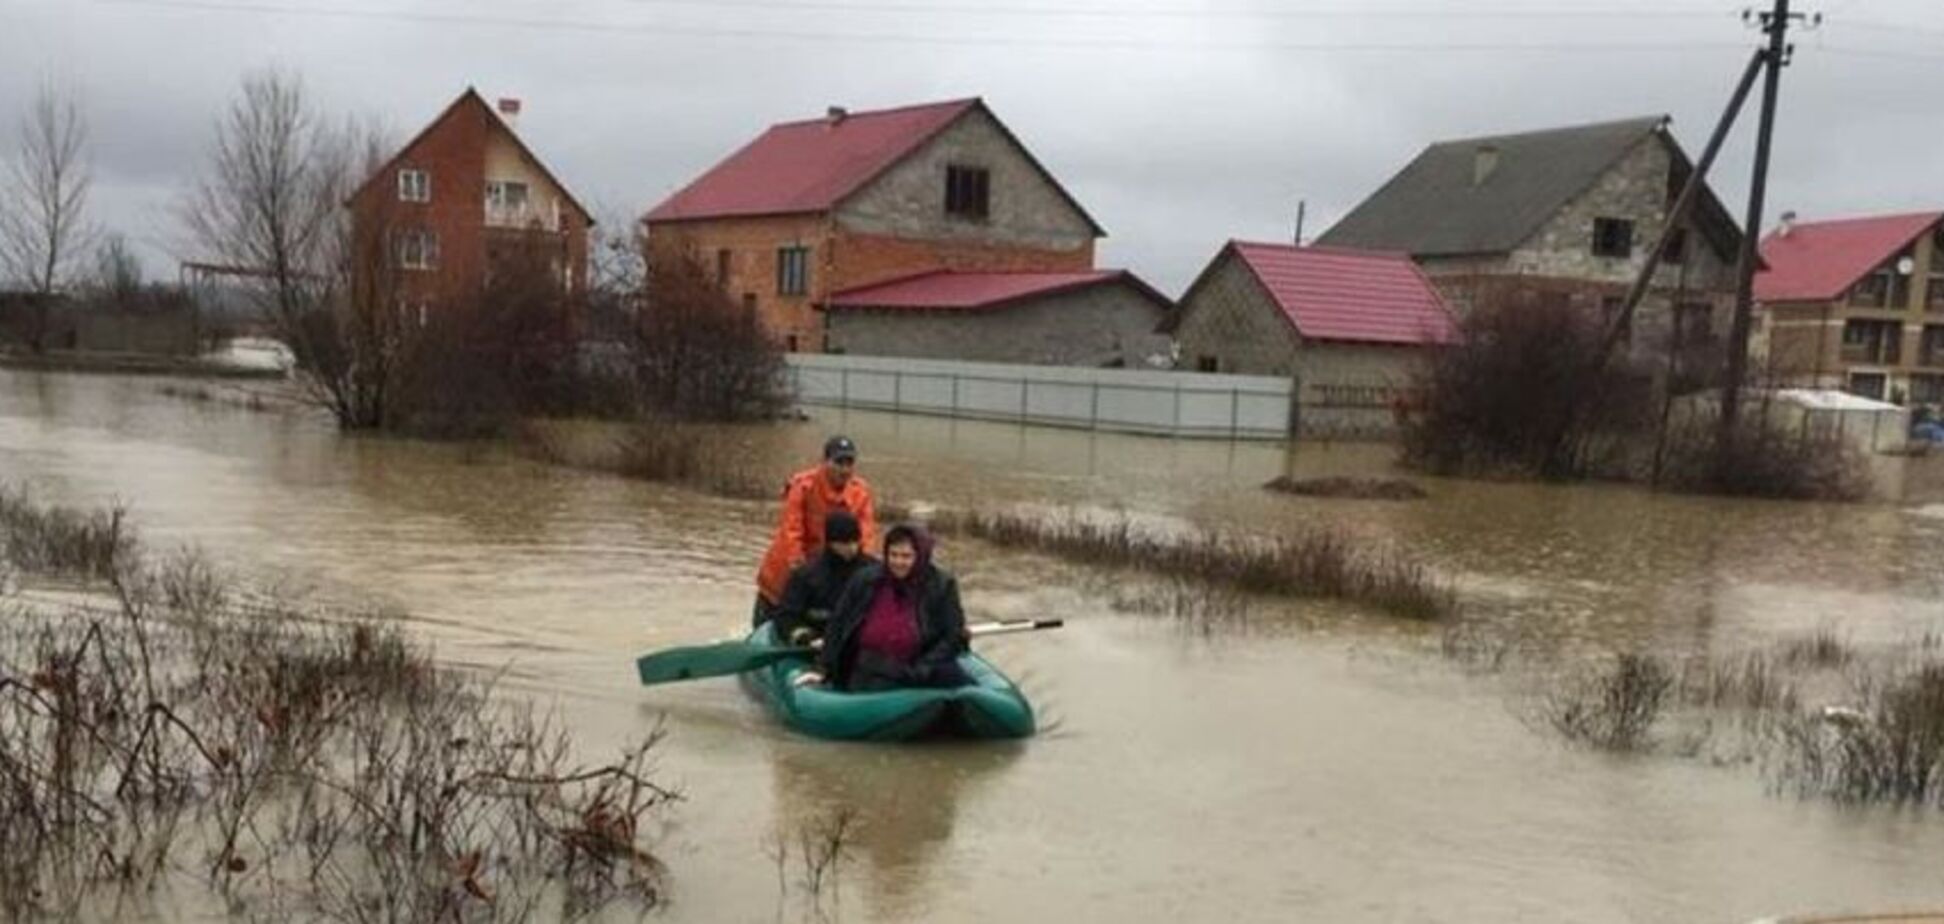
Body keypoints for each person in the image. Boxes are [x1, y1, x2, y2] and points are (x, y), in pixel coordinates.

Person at [794, 525, 971, 692]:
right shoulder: (865, 580)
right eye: (893, 555)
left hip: (921, 667)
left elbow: (952, 635)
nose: (898, 562)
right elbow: (838, 624)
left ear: (921, 556)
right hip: (871, 666)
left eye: (906, 556)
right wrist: (822, 668)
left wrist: (922, 669)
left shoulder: (942, 585)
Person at [754, 435, 879, 626]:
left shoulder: (860, 492)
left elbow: (866, 536)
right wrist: (803, 572)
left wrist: (864, 576)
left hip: (828, 576)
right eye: (839, 462)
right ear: (825, 462)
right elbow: (791, 531)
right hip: (783, 580)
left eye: (849, 463)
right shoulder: (803, 486)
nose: (845, 469)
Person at [768, 511, 869, 646]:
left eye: (855, 541)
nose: (851, 548)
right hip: (816, 642)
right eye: (844, 543)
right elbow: (786, 616)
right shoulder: (806, 576)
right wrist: (805, 637)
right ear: (830, 543)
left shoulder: (873, 572)